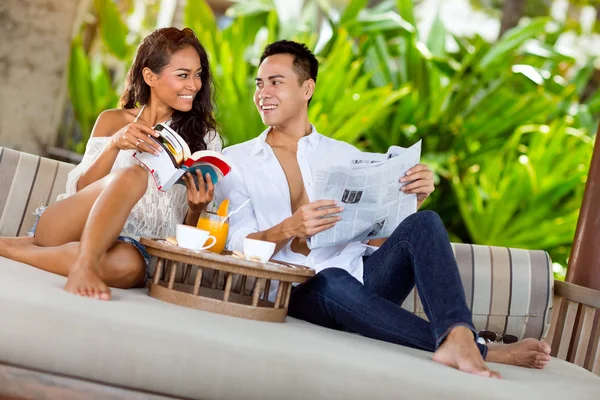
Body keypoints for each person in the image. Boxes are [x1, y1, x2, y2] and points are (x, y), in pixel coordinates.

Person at [216, 40, 551, 378]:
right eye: (259, 83)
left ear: (307, 88)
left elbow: (374, 241)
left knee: (425, 222)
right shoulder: (237, 161)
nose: (263, 93)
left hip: (364, 286)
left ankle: (458, 332)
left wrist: (410, 202)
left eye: (276, 82)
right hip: (294, 294)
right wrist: (290, 228)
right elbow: (238, 249)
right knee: (332, 281)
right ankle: (481, 349)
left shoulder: (345, 156)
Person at [0, 27, 221, 301]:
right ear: (150, 76)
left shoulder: (205, 139)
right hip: (64, 229)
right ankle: (83, 265)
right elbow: (80, 189)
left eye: (198, 75)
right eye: (183, 75)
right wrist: (114, 144)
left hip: (133, 248)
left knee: (128, 268)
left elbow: (188, 231)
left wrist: (196, 208)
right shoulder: (112, 121)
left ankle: (10, 248)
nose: (194, 85)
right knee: (134, 175)